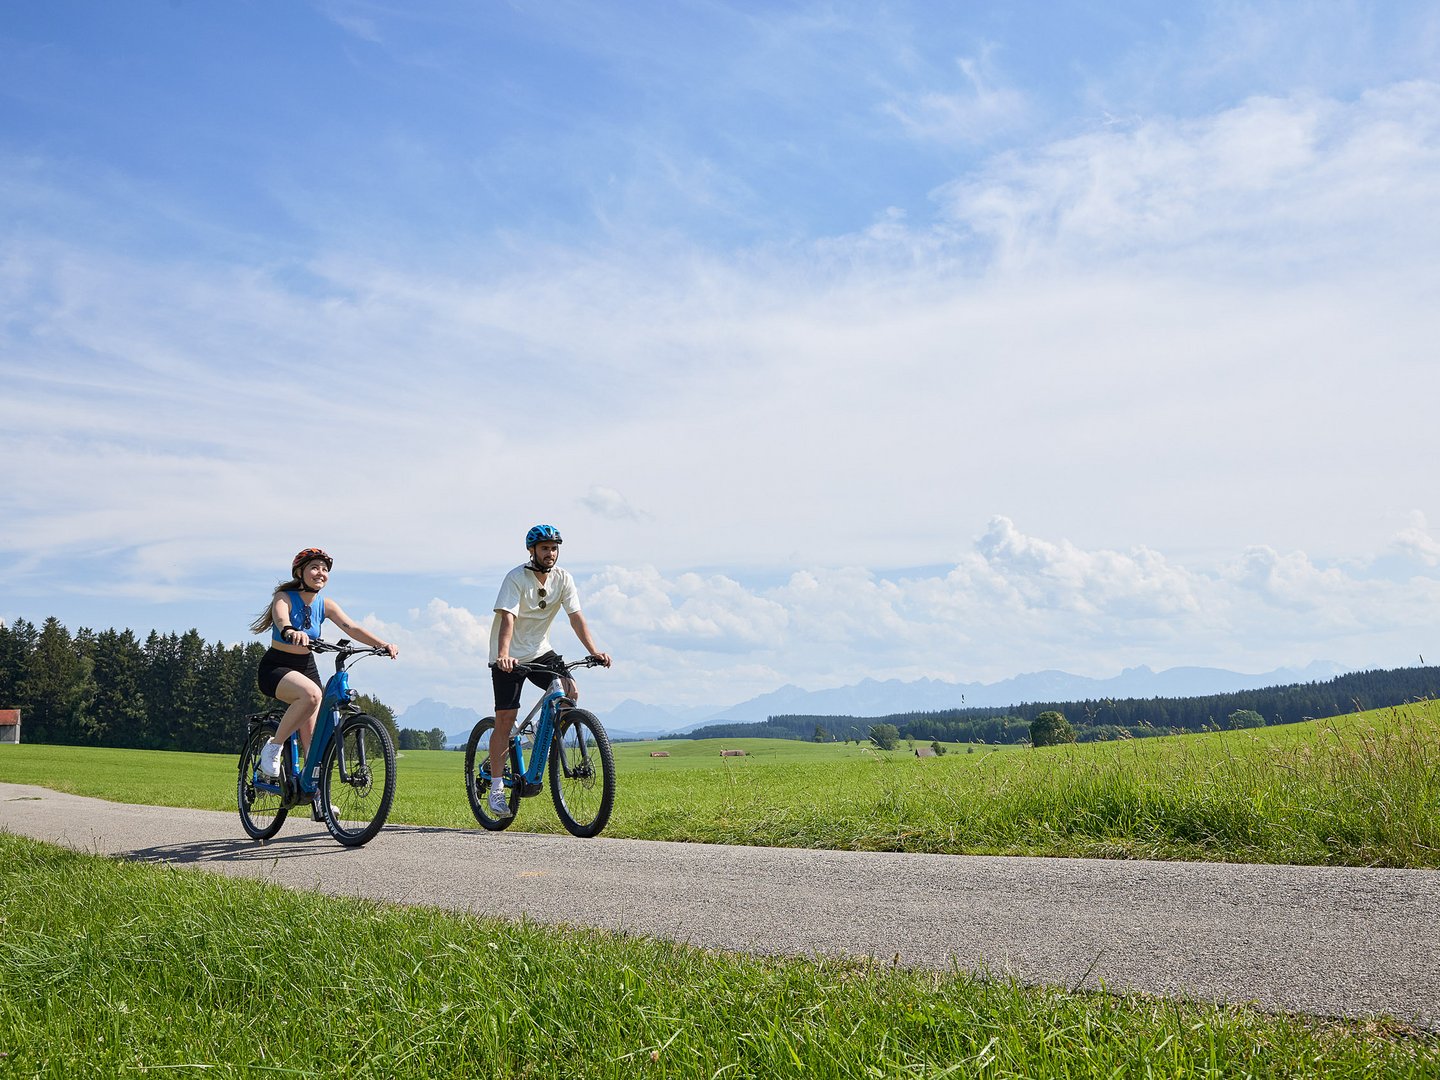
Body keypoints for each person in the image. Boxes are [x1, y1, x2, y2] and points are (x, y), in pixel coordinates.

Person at [249, 547, 398, 819]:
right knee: (312, 695)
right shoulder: (284, 597)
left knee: (315, 738)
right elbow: (281, 617)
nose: (321, 573)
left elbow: (351, 627)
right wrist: (290, 630)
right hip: (277, 667)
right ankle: (274, 745)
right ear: (300, 572)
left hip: (306, 666)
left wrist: (382, 644)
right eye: (315, 567)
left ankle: (317, 796)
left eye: (325, 569)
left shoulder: (325, 604)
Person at [488, 524, 611, 818]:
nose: (551, 553)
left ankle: (542, 736)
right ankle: (496, 789)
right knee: (505, 719)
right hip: (509, 656)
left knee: (570, 691)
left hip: (541, 650)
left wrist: (594, 650)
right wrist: (503, 655)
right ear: (532, 551)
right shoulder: (516, 578)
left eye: (554, 548)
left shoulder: (563, 578)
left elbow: (576, 617)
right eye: (545, 548)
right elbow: (508, 619)